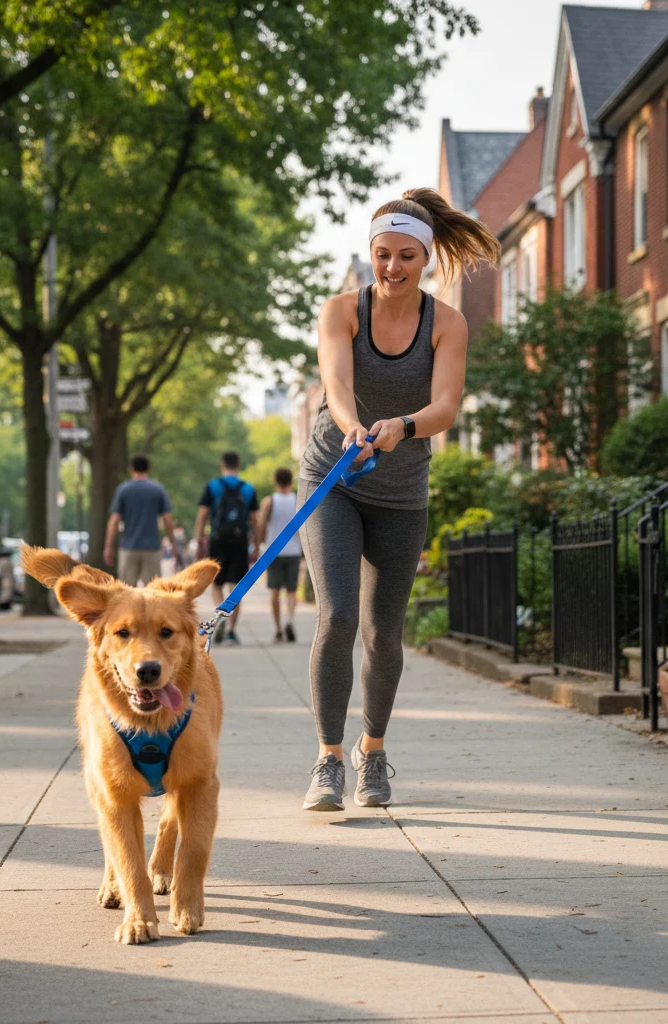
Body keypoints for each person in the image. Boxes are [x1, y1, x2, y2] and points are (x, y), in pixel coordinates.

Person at [297, 187, 500, 812]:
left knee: (384, 633)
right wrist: (354, 425)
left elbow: (446, 407)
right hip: (333, 481)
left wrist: (403, 426)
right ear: (371, 252)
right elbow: (335, 382)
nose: (392, 267)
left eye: (406, 256)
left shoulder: (447, 324)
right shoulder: (341, 311)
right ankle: (329, 760)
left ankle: (373, 752)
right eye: (382, 254)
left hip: (402, 493)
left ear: (426, 257)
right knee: (337, 618)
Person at [194, 451, 259, 645]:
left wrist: (199, 539)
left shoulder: (213, 486)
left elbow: (203, 514)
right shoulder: (248, 488)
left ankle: (220, 614)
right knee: (235, 587)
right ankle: (231, 631)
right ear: (238, 466)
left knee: (216, 584)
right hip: (240, 542)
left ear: (222, 466)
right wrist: (256, 543)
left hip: (218, 541)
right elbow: (254, 520)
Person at [104, 455, 174, 586]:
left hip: (128, 547)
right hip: (152, 547)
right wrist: (173, 542)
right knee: (153, 590)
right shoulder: (158, 489)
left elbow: (114, 520)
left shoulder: (123, 490)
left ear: (131, 469)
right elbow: (167, 519)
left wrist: (108, 546)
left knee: (126, 591)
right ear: (149, 468)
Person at [257, 467, 302, 643]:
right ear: (291, 480)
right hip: (294, 550)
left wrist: (259, 544)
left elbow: (261, 525)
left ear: (275, 481)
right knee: (291, 591)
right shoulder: (298, 499)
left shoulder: (269, 501)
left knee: (275, 591)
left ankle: (277, 629)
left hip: (273, 550)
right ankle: (289, 620)